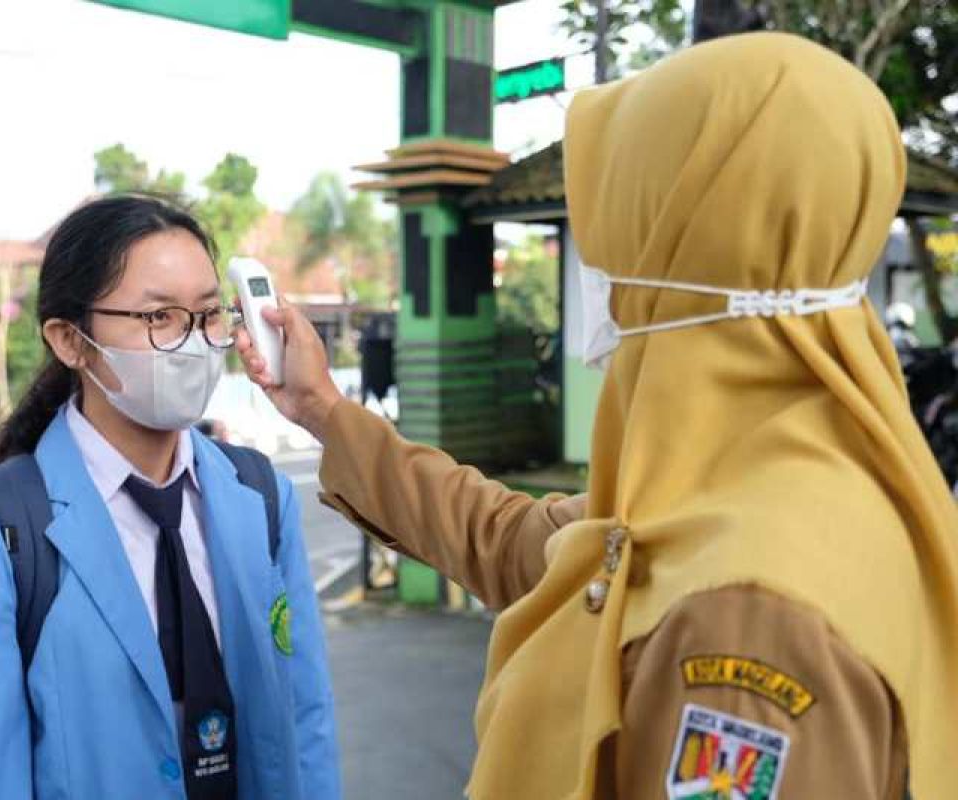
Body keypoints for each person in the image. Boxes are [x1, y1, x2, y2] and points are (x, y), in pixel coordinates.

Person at [239, 33, 958, 800]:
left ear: (687, 259)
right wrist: (323, 409)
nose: (602, 282)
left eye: (614, 238)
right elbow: (522, 544)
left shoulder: (748, 618)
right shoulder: (773, 487)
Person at [0, 195, 339, 799]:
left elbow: (304, 723)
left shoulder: (261, 498)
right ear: (69, 340)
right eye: (158, 318)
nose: (192, 342)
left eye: (209, 314)